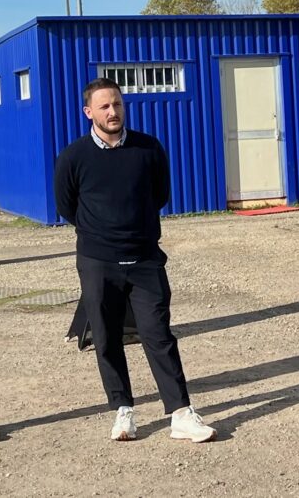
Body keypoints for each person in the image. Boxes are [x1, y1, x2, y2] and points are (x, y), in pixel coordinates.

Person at [54, 78, 215, 443]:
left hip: (145, 260)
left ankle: (180, 413)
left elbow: (159, 194)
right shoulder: (74, 156)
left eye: (118, 104)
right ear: (88, 112)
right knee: (107, 337)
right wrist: (102, 233)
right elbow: (67, 206)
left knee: (158, 335)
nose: (113, 112)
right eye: (105, 106)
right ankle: (123, 409)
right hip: (98, 262)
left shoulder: (148, 148)